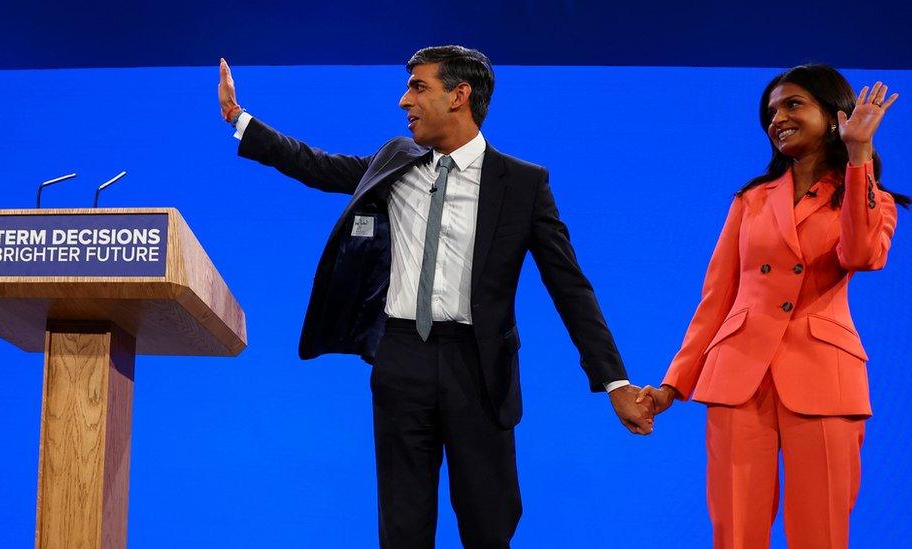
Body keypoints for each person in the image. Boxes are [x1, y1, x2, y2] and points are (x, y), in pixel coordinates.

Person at [217, 45, 654, 548]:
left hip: (480, 368)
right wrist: (240, 119)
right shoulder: (395, 162)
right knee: (402, 527)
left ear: (459, 96)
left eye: (418, 87)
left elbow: (570, 288)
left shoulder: (523, 184)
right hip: (402, 358)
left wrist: (614, 381)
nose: (405, 101)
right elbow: (317, 165)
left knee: (488, 525)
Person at [637, 64, 911, 548]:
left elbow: (863, 255)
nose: (777, 118)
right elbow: (716, 300)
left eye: (792, 104)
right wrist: (672, 385)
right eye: (771, 111)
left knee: (820, 531)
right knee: (736, 530)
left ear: (833, 115)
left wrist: (858, 153)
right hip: (737, 378)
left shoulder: (869, 197)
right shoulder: (751, 200)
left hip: (824, 376)